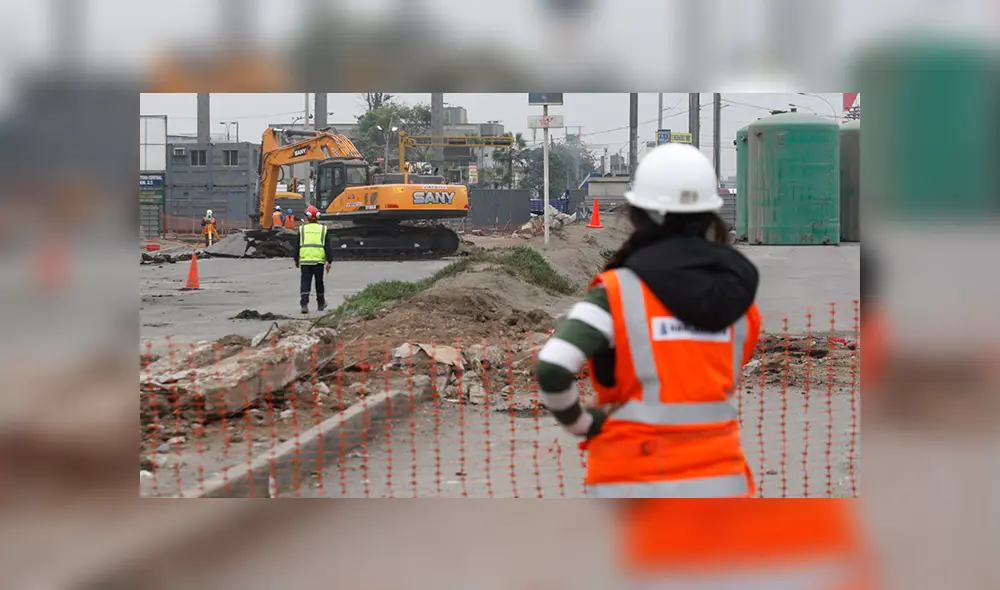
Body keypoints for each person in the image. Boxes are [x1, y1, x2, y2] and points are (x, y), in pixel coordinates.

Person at [535, 142, 761, 498]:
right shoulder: (740, 302)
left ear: (641, 214)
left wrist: (582, 424)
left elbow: (553, 367)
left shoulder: (616, 293)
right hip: (721, 477)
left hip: (635, 478)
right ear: (710, 215)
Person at [292, 205, 333, 314]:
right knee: (319, 282)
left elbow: (297, 246)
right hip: (318, 261)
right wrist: (330, 261)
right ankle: (320, 303)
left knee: (305, 282)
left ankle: (304, 304)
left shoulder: (302, 229)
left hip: (305, 261)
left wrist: (296, 259)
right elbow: (328, 247)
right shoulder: (323, 229)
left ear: (307, 217)